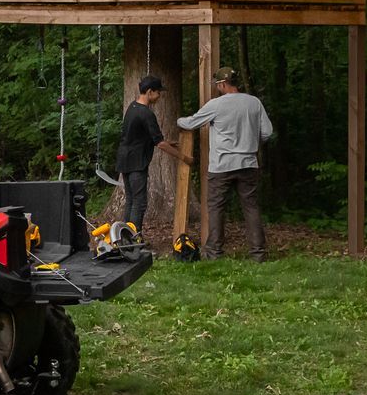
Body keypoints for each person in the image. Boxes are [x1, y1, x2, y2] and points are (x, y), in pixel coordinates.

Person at [176, 69, 274, 261]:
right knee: (251, 207)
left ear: (222, 84)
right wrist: (250, 142)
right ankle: (258, 253)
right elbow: (267, 132)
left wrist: (178, 119)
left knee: (216, 207)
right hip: (248, 164)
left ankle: (214, 252)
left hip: (221, 165)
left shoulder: (216, 105)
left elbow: (191, 123)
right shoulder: (254, 102)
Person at [115, 75, 177, 234]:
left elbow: (139, 136)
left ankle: (125, 238)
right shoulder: (146, 113)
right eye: (158, 93)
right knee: (139, 203)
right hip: (136, 163)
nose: (159, 96)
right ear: (150, 92)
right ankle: (134, 239)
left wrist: (169, 142)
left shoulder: (132, 107)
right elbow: (159, 143)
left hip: (125, 160)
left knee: (131, 200)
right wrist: (183, 157)